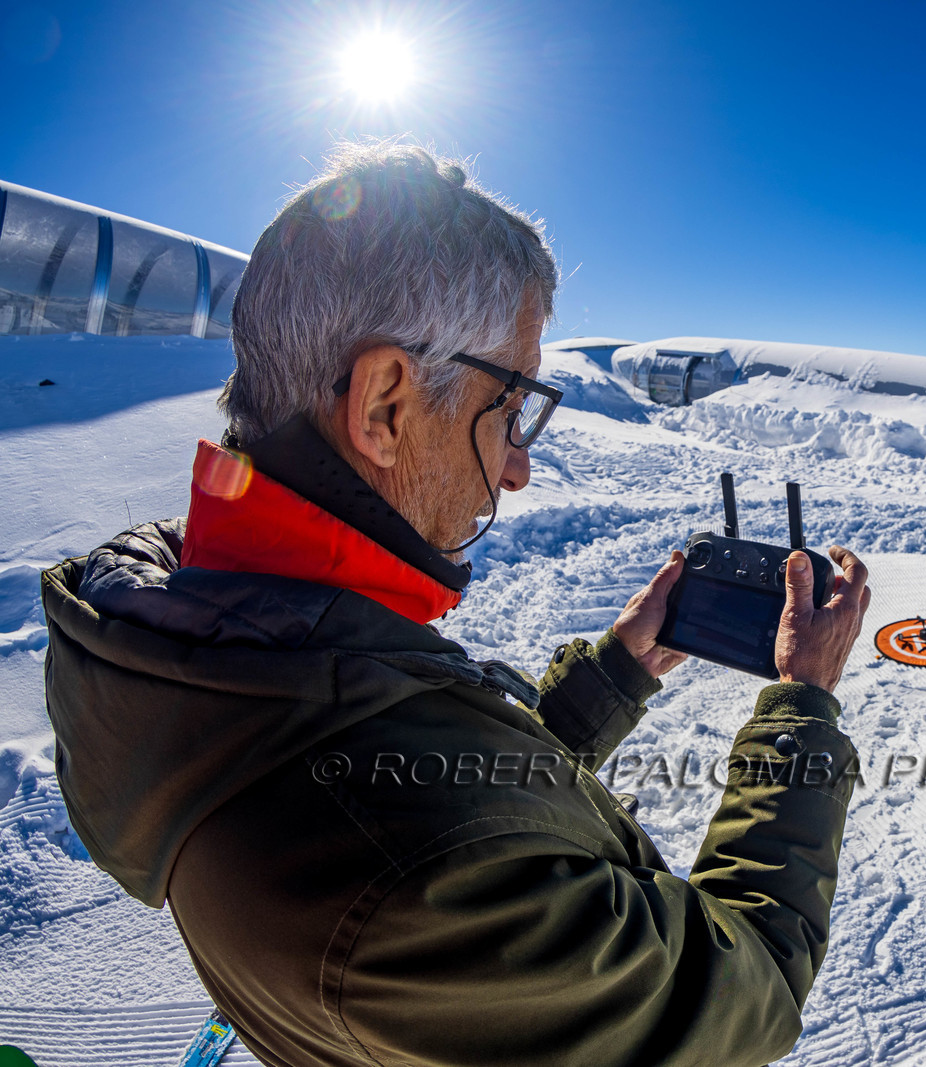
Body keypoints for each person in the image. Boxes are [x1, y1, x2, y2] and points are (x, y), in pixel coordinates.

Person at [40, 142, 872, 1066]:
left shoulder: (210, 636)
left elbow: (446, 781)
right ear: (386, 405)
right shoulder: (406, 877)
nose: (517, 466)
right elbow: (739, 993)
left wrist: (617, 674)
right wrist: (802, 704)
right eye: (510, 407)